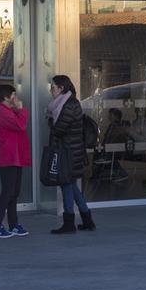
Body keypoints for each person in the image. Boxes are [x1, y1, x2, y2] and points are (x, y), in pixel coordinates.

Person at [46, 74, 95, 233]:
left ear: (61, 88)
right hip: (69, 151)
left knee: (67, 184)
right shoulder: (65, 103)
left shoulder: (69, 105)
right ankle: (87, 220)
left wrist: (51, 122)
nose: (51, 90)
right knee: (71, 185)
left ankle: (69, 223)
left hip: (69, 152)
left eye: (53, 87)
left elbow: (60, 130)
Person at [0, 84, 30, 238]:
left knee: (14, 193)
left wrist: (18, 110)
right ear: (6, 97)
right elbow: (21, 125)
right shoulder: (1, 111)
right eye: (13, 95)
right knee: (7, 193)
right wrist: (21, 109)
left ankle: (13, 225)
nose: (16, 98)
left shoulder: (7, 111)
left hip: (15, 157)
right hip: (7, 158)